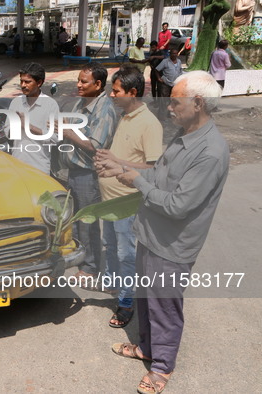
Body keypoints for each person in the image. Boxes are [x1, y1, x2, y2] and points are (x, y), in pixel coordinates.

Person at [100, 71, 228, 394]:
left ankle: (162, 368)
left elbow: (177, 206)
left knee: (165, 307)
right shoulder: (185, 134)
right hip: (151, 235)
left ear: (197, 103)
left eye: (175, 101)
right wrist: (125, 169)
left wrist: (136, 182)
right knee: (146, 299)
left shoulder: (210, 152)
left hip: (173, 246)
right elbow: (157, 172)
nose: (168, 107)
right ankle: (146, 347)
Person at [94, 65, 163, 328]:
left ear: (132, 92)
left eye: (116, 91)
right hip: (110, 200)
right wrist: (105, 164)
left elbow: (154, 170)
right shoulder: (125, 116)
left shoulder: (149, 124)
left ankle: (126, 302)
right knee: (111, 247)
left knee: (126, 254)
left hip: (128, 204)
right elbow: (122, 158)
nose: (112, 96)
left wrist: (116, 161)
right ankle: (114, 287)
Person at [59, 63, 117, 283]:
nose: (79, 85)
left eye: (84, 81)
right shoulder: (80, 103)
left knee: (88, 222)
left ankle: (91, 267)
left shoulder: (105, 109)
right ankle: (79, 259)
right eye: (79, 80)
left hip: (88, 175)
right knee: (74, 220)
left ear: (98, 84)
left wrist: (67, 131)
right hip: (72, 171)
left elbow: (95, 145)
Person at [8, 62, 60, 175]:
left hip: (39, 168)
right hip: (17, 165)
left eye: (27, 82)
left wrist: (28, 126)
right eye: (21, 81)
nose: (23, 85)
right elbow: (7, 133)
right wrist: (15, 125)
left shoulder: (51, 105)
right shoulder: (16, 102)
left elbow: (54, 139)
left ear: (39, 82)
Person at [156, 48, 183, 117]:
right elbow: (156, 70)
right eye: (172, 53)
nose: (174, 55)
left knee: (172, 100)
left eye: (175, 53)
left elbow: (180, 71)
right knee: (163, 100)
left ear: (177, 54)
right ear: (170, 54)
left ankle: (169, 114)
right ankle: (161, 116)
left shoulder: (179, 61)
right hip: (166, 83)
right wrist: (159, 78)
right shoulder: (165, 61)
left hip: (175, 84)